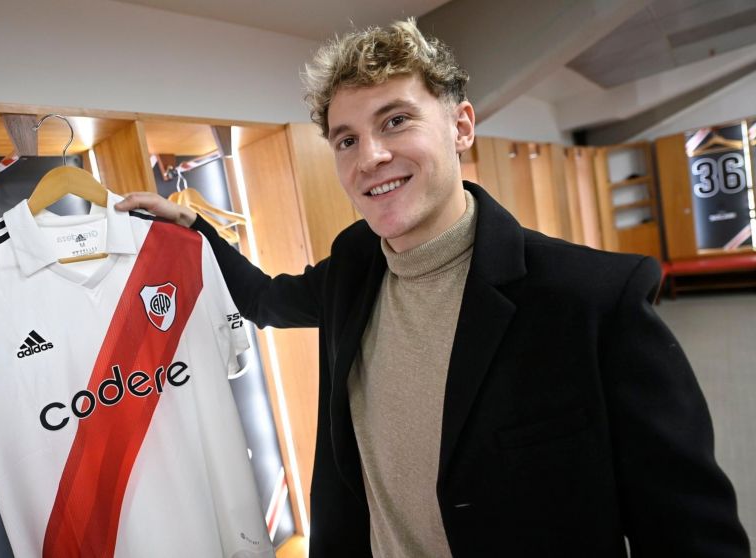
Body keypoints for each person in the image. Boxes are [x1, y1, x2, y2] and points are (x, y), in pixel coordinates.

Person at [116, 19, 749, 558]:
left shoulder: (590, 299)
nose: (370, 158)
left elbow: (692, 536)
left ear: (461, 126)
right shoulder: (353, 269)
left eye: (395, 121)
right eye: (347, 140)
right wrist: (195, 228)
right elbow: (264, 301)